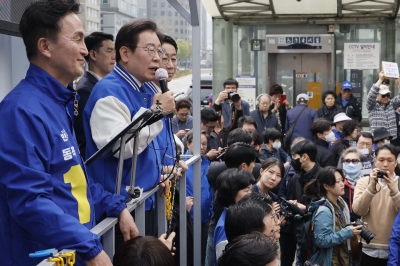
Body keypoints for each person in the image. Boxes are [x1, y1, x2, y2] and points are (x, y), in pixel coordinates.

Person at [0, 1, 138, 265]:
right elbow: (29, 200)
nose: (85, 51)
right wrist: (90, 247)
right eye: (77, 40)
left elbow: (74, 185)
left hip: (70, 252)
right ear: (45, 46)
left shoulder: (58, 103)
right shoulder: (20, 111)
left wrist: (117, 206)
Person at [83, 19, 176, 239]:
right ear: (125, 53)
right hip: (119, 210)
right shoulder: (109, 91)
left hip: (145, 201)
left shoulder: (143, 88)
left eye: (159, 51)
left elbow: (149, 146)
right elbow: (120, 146)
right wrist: (157, 112)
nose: (157, 57)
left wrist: (158, 172)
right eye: (150, 50)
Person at [303, 167, 362, 266]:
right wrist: (348, 232)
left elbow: (339, 228)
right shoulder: (324, 210)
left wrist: (353, 227)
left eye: (342, 180)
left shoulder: (341, 204)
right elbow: (321, 240)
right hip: (331, 261)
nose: (342, 184)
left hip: (343, 259)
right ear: (326, 186)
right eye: (337, 181)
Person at [353, 144, 400, 266]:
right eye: (381, 160)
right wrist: (371, 189)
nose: (385, 164)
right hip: (367, 247)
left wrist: (394, 191)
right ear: (375, 161)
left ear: (396, 162)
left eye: (390, 160)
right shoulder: (364, 181)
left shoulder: (398, 182)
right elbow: (358, 210)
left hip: (395, 248)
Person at [74, 31, 115, 158]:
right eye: (109, 51)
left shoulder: (108, 85)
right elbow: (84, 136)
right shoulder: (85, 90)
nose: (114, 56)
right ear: (93, 54)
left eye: (114, 51)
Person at [213, 169, 255, 264]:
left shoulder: (238, 216)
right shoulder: (225, 226)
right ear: (231, 193)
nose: (250, 194)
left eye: (251, 190)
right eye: (246, 190)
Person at [185, 130, 213, 265]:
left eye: (204, 144)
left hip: (205, 217)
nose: (202, 147)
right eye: (198, 144)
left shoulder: (207, 163)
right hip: (187, 218)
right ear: (188, 144)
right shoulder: (182, 165)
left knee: (202, 254)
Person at [367, 71, 400, 140]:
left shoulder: (391, 104)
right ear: (377, 95)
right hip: (378, 139)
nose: (386, 97)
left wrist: (398, 82)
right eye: (383, 95)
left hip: (392, 139)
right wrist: (380, 80)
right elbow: (371, 95)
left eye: (388, 95)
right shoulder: (372, 105)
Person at [340, 147, 363, 222]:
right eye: (347, 161)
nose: (351, 164)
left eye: (355, 161)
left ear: (362, 164)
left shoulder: (368, 183)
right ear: (343, 164)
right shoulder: (338, 184)